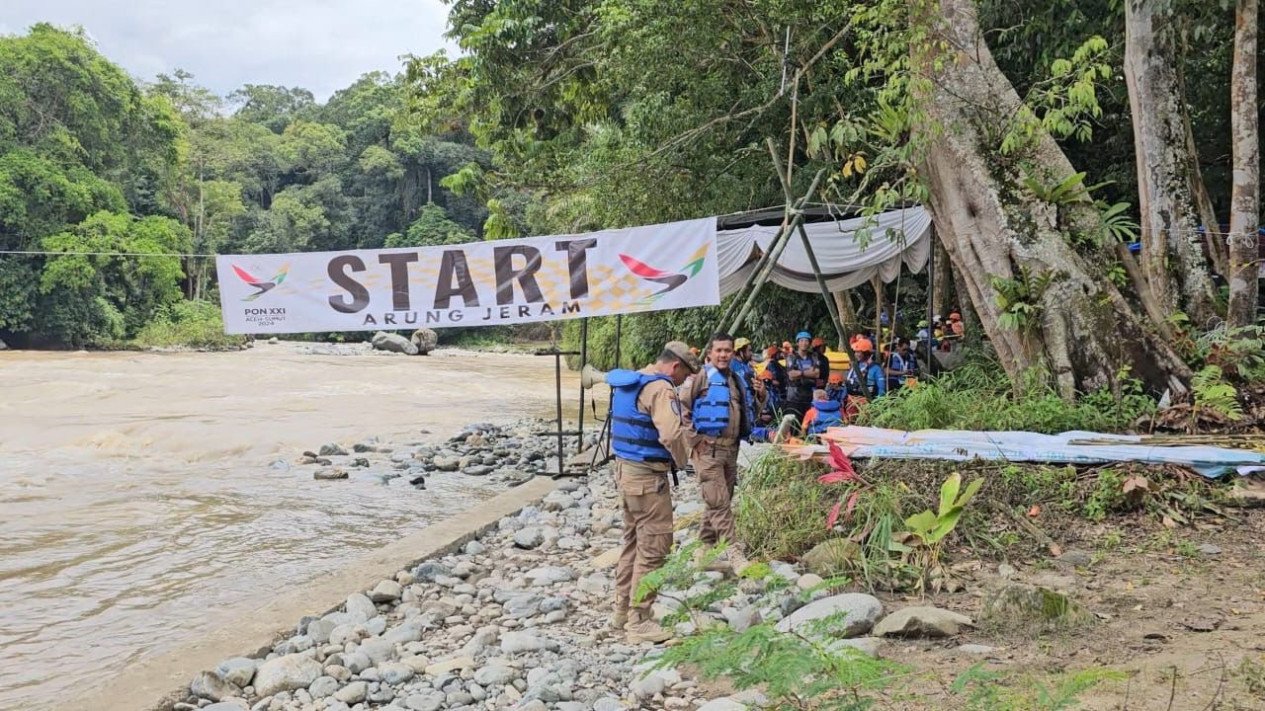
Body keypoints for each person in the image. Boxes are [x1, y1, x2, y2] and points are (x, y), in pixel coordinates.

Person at [608, 341, 699, 643]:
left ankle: (622, 611)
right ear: (675, 366)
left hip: (625, 473)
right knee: (655, 545)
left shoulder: (632, 379)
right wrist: (684, 461)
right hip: (648, 479)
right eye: (685, 375)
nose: (685, 381)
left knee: (632, 542)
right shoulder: (661, 389)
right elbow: (672, 433)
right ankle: (640, 620)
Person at [683, 333, 761, 574]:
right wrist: (694, 440)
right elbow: (681, 409)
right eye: (719, 350)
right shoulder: (702, 378)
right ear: (710, 354)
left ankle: (703, 552)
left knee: (719, 502)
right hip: (708, 451)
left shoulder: (737, 378)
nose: (723, 355)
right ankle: (735, 555)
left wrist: (761, 394)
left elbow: (750, 411)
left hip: (731, 451)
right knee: (720, 504)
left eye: (727, 350)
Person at [784, 331, 821, 425]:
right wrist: (808, 372)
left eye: (806, 341)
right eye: (801, 341)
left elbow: (816, 374)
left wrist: (799, 373)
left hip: (809, 395)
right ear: (797, 343)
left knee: (808, 423)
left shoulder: (813, 357)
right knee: (793, 423)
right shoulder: (791, 357)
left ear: (809, 343)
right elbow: (791, 375)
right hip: (794, 396)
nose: (804, 343)